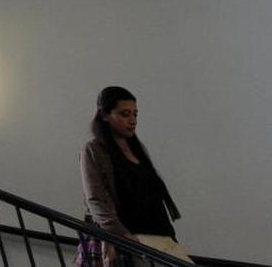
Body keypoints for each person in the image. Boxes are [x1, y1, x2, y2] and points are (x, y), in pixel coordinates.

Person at [78, 86, 192, 265]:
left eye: (135, 115)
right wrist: (123, 235)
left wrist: (170, 236)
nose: (132, 120)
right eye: (125, 114)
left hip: (159, 235)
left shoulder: (137, 149)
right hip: (128, 238)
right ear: (105, 115)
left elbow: (153, 195)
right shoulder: (94, 150)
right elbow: (95, 199)